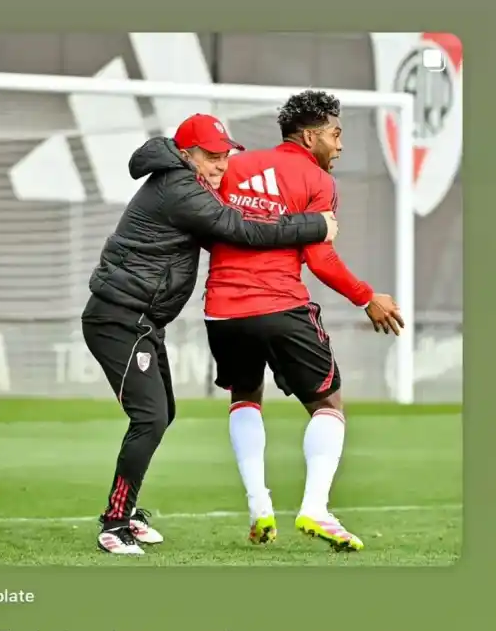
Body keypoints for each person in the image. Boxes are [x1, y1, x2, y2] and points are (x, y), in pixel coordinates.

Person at [82, 113, 338, 555]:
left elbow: (227, 227)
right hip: (118, 319)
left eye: (225, 155)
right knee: (150, 418)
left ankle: (129, 512)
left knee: (161, 414)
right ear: (186, 154)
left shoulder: (186, 182)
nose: (221, 165)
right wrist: (317, 225)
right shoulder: (180, 188)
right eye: (211, 156)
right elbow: (237, 229)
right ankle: (115, 523)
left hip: (140, 321)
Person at [203, 90, 404, 552]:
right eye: (335, 134)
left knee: (244, 395)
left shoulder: (231, 166)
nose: (340, 145)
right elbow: (320, 257)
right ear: (311, 135)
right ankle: (315, 507)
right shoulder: (316, 179)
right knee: (329, 405)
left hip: (223, 309)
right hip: (280, 304)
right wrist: (367, 297)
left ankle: (259, 506)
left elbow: (202, 222)